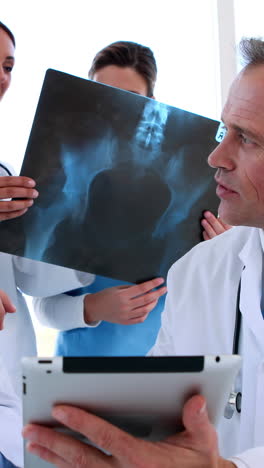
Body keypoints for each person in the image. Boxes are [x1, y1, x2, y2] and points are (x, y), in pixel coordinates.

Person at [24, 37, 264, 467]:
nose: (215, 157)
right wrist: (91, 306)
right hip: (91, 379)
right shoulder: (198, 270)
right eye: (226, 131)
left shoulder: (199, 235)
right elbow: (161, 413)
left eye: (247, 138)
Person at [33, 41, 167, 358]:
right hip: (79, 371)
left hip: (162, 371)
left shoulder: (179, 192)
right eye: (102, 93)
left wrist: (219, 252)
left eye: (130, 100)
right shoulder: (65, 175)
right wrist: (92, 307)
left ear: (151, 104)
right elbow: (37, 303)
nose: (115, 109)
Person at [0, 21, 93, 468]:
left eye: (8, 66)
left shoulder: (5, 174)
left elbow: (31, 280)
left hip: (11, 403)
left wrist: (73, 227)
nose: (3, 76)